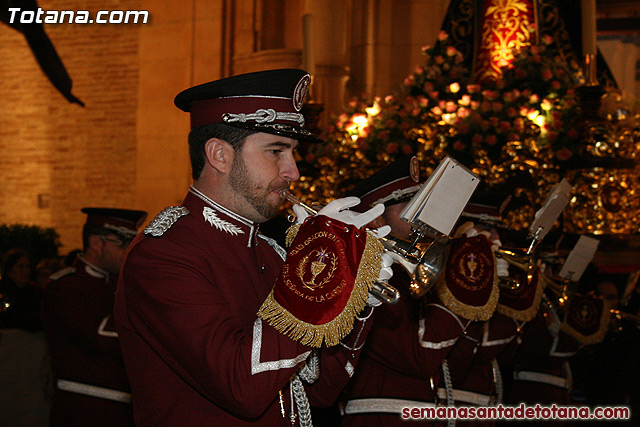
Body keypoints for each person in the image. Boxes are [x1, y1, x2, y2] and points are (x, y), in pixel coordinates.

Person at [114, 69, 393, 426]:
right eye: (276, 151)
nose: (292, 171)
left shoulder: (270, 253)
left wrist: (354, 299)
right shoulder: (165, 254)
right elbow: (242, 386)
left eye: (292, 153)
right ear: (219, 155)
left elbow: (321, 390)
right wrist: (315, 281)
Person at [338, 157, 500, 426]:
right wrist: (461, 285)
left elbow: (456, 367)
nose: (420, 215)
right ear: (377, 218)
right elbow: (419, 356)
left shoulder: (408, 273)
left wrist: (471, 288)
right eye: (408, 206)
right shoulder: (371, 274)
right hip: (379, 417)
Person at [41, 207, 147, 426]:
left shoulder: (118, 284)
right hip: (84, 410)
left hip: (124, 411)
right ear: (95, 243)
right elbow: (101, 337)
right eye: (121, 243)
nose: (128, 251)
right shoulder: (64, 288)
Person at [0, 248, 42, 332]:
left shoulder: (35, 292)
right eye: (20, 266)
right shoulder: (2, 292)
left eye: (28, 266)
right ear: (9, 269)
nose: (25, 271)